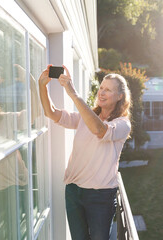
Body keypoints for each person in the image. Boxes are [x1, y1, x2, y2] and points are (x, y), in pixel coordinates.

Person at [38, 64, 131, 240]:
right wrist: (41, 86)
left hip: (100, 196)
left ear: (120, 97)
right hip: (74, 192)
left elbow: (100, 130)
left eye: (108, 90)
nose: (102, 93)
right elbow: (51, 113)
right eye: (101, 88)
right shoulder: (84, 118)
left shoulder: (122, 124)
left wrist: (73, 94)